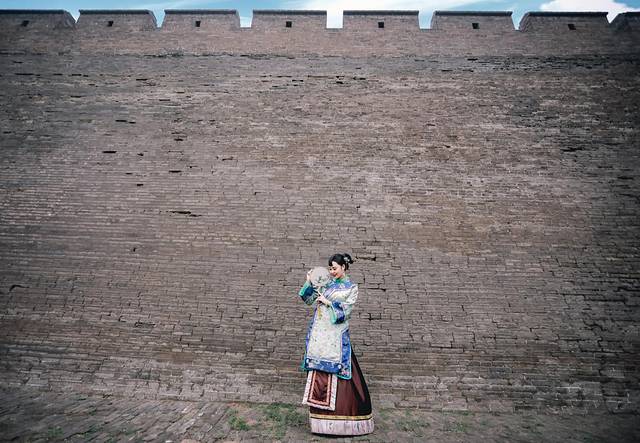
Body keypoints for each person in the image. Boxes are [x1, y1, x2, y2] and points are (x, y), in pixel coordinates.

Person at [298, 253, 374, 436]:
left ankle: (345, 422)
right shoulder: (326, 283)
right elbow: (308, 300)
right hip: (320, 336)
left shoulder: (351, 288)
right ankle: (319, 422)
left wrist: (328, 302)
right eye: (330, 268)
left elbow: (346, 312)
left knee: (342, 373)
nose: (332, 272)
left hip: (336, 338)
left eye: (335, 268)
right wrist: (309, 281)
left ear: (344, 267)